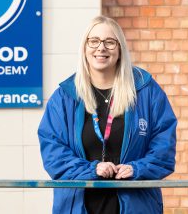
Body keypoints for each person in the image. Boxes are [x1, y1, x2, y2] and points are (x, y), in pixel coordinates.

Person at [38, 15, 177, 214]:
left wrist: (138, 169)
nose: (101, 48)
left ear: (120, 50)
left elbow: (164, 149)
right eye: (93, 41)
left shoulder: (146, 91)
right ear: (84, 48)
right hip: (78, 206)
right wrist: (91, 170)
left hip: (137, 206)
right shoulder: (65, 97)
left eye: (110, 42)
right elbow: (54, 155)